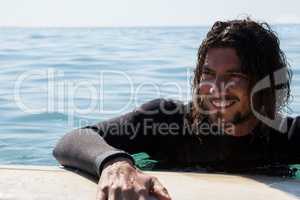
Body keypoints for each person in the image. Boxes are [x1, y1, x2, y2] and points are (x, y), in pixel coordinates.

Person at [53, 18, 300, 200]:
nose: (215, 88)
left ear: (265, 83)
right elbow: (74, 139)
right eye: (208, 74)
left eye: (234, 75)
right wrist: (115, 163)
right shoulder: (168, 121)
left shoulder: (288, 136)